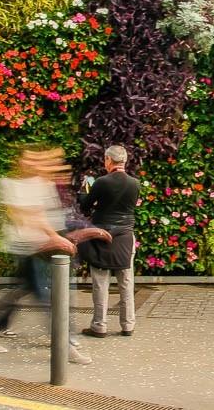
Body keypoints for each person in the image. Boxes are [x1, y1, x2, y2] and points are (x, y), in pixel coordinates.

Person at [0, 147, 97, 365]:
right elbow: (26, 216)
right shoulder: (9, 185)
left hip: (43, 247)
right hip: (26, 248)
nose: (33, 164)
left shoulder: (40, 184)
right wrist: (56, 238)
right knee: (47, 298)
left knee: (21, 293)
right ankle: (66, 345)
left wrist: (62, 236)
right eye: (28, 160)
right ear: (20, 163)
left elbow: (47, 215)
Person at [79, 145, 140, 338]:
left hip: (102, 236)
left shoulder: (101, 182)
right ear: (125, 161)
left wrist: (84, 191)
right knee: (126, 281)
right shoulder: (135, 183)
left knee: (100, 282)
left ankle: (99, 326)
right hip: (125, 237)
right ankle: (128, 325)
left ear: (108, 160)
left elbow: (85, 207)